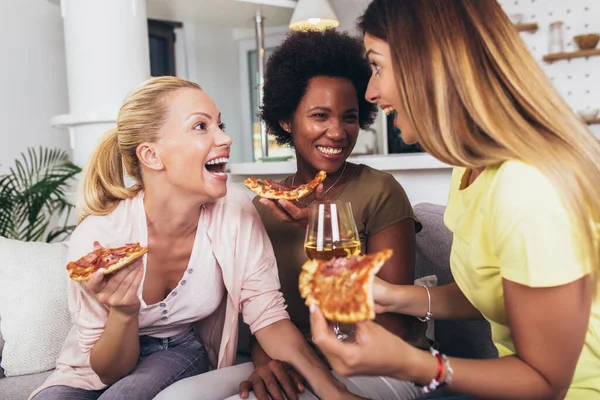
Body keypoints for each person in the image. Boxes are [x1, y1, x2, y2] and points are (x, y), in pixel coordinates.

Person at [310, 1, 600, 399]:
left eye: (377, 66)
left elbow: (547, 383)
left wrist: (409, 363)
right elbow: (494, 289)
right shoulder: (471, 168)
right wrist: (394, 296)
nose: (371, 92)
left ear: (429, 67)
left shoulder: (528, 188)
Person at [29, 76, 356, 400]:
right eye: (201, 126)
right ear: (152, 155)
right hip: (92, 364)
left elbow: (268, 316)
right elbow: (106, 370)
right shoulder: (100, 236)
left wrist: (335, 393)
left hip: (180, 350)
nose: (226, 138)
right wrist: (125, 312)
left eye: (220, 124)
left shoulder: (235, 211)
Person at [156, 30, 425, 400]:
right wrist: (268, 362)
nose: (337, 132)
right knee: (177, 397)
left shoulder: (380, 191)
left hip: (382, 362)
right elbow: (257, 317)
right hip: (288, 358)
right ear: (285, 120)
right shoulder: (260, 207)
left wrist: (324, 230)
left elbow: (390, 326)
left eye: (349, 117)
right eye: (320, 116)